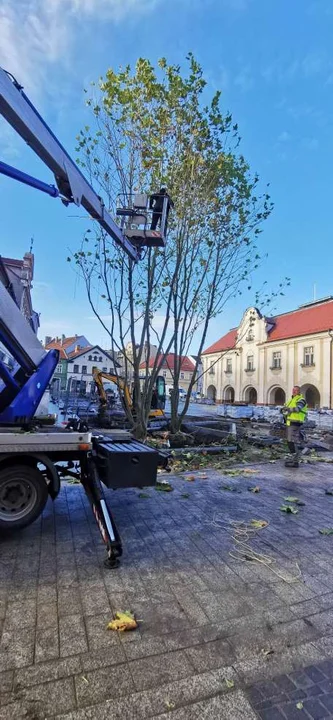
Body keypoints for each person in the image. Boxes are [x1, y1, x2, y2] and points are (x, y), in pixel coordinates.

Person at [281, 386, 307, 468]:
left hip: (296, 423)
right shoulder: (291, 400)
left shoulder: (301, 399)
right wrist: (283, 410)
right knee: (290, 441)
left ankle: (295, 461)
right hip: (290, 422)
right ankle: (294, 459)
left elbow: (298, 409)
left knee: (292, 441)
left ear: (299, 391)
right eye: (293, 390)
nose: (294, 392)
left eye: (296, 390)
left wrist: (287, 409)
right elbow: (285, 409)